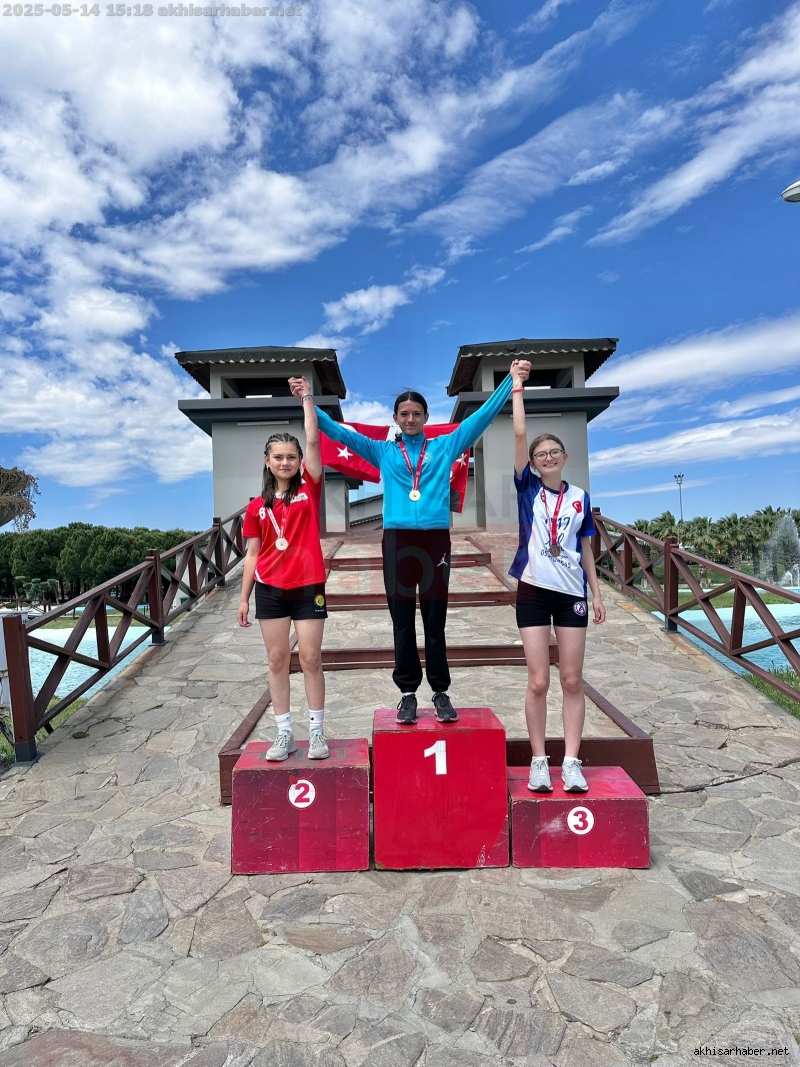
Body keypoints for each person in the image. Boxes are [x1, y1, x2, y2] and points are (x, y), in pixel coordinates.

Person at [289, 366, 530, 725]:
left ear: (426, 417)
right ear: (395, 419)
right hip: (398, 542)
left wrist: (511, 382)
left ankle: (441, 691)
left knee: (435, 621)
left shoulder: (446, 445)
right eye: (405, 414)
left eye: (417, 413)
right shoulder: (382, 451)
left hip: (435, 541)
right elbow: (336, 431)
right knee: (402, 622)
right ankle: (407, 694)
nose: (411, 419)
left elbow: (481, 418)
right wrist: (307, 398)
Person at [508, 360, 606, 793]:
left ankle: (570, 761)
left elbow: (586, 548)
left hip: (572, 596)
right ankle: (538, 761)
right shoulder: (527, 489)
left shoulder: (580, 497)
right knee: (539, 680)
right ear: (532, 463)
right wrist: (517, 388)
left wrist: (597, 594)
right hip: (533, 591)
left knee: (571, 679)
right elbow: (518, 435)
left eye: (553, 452)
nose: (547, 457)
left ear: (565, 457)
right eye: (540, 454)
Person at [237, 386, 329, 761]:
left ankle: (317, 732)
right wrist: (243, 598)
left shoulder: (310, 488)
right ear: (267, 460)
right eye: (278, 457)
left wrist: (307, 399)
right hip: (270, 590)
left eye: (292, 457)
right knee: (277, 660)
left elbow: (313, 439)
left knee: (310, 658)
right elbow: (252, 554)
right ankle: (284, 734)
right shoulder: (256, 507)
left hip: (308, 586)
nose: (286, 462)